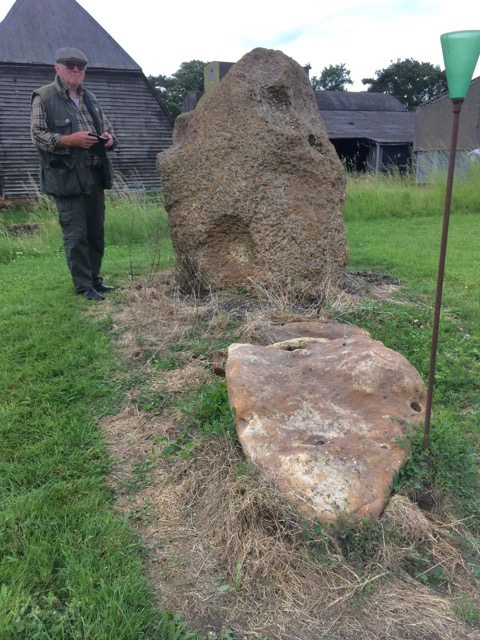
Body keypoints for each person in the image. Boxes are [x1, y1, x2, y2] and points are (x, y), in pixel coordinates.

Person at [31, 47, 117, 301]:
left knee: (95, 232)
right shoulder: (44, 96)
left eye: (81, 65)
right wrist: (69, 140)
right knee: (75, 234)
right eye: (70, 64)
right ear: (57, 68)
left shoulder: (91, 98)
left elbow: (109, 129)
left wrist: (109, 139)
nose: (76, 69)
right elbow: (37, 135)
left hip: (95, 174)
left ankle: (95, 280)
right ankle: (83, 286)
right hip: (66, 177)